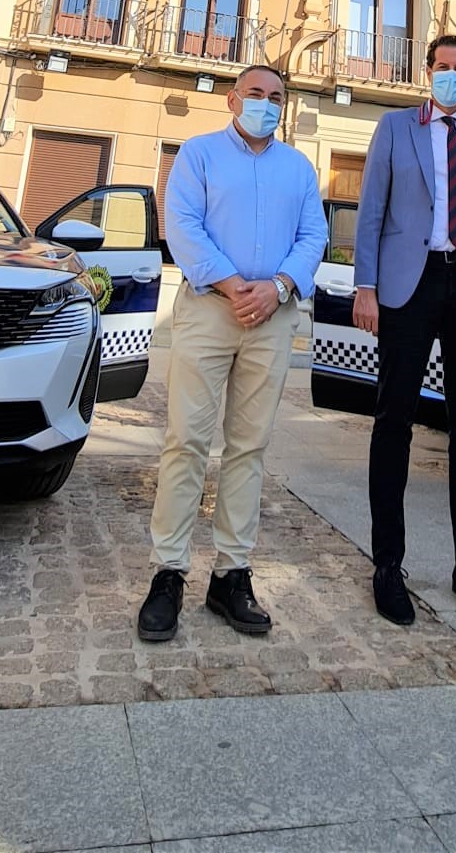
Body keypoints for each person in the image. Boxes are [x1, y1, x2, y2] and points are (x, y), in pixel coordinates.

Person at [137, 64, 327, 643]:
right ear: (231, 99)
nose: (265, 105)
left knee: (249, 447)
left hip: (272, 318)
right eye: (256, 94)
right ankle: (168, 572)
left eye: (276, 98)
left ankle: (230, 573)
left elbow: (313, 236)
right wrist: (231, 284)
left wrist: (278, 287)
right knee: (187, 442)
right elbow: (183, 224)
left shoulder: (298, 168)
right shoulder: (197, 155)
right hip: (207, 312)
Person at [353, 34, 456, 627]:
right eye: (443, 67)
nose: (452, 76)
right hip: (409, 281)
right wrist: (365, 286)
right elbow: (372, 209)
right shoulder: (395, 128)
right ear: (428, 72)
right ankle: (387, 565)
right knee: (393, 417)